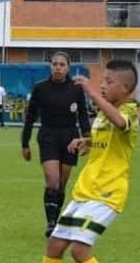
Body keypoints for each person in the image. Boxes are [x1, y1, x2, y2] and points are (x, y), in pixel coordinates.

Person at [41, 59, 140, 263]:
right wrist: (87, 142)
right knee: (55, 246)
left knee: (79, 250)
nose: (102, 85)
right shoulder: (105, 113)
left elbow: (120, 123)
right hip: (87, 188)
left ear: (125, 88)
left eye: (108, 81)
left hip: (107, 192)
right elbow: (109, 140)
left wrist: (92, 93)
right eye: (102, 81)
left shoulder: (129, 110)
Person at [21, 52, 91, 238]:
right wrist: (25, 143)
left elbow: (83, 114)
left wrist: (87, 138)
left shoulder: (75, 89)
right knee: (52, 180)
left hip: (70, 137)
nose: (58, 67)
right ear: (50, 66)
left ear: (68, 67)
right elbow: (30, 117)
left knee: (61, 185)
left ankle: (57, 219)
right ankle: (51, 223)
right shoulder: (40, 88)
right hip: (48, 135)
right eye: (55, 64)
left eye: (62, 64)